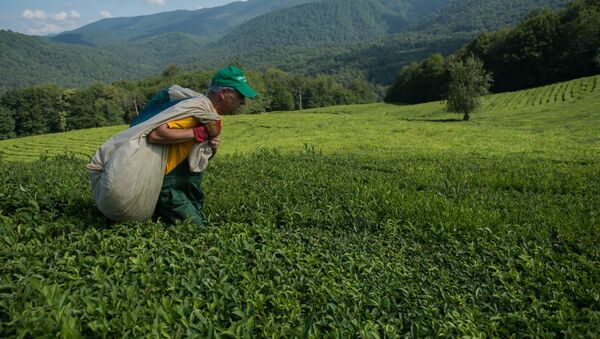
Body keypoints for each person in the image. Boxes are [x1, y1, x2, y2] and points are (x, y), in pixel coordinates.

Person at [147, 65, 258, 226]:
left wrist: (213, 147)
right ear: (224, 93)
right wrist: (197, 133)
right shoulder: (197, 109)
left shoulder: (212, 117)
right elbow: (156, 135)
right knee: (195, 230)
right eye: (240, 96)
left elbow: (202, 157)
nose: (243, 102)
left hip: (190, 184)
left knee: (197, 226)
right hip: (170, 185)